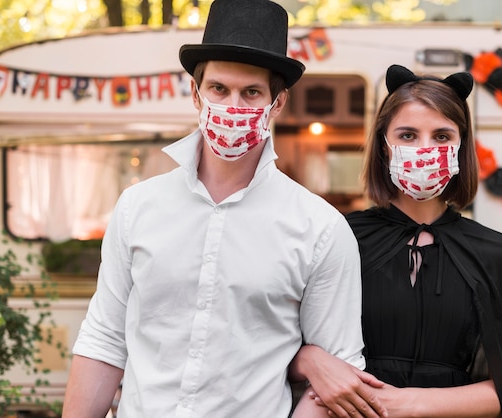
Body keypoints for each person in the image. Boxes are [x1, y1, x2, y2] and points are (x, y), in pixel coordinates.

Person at [61, 0, 386, 417]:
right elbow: (104, 340)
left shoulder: (320, 227)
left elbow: (336, 371)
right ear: (196, 95)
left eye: (251, 92)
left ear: (277, 103)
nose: (233, 105)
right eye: (219, 89)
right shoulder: (137, 207)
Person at [290, 64, 502, 417]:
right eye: (407, 135)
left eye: (441, 136)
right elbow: (278, 347)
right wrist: (311, 360)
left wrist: (407, 403)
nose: (425, 149)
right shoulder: (340, 235)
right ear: (384, 146)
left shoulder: (492, 251)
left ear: (460, 147)